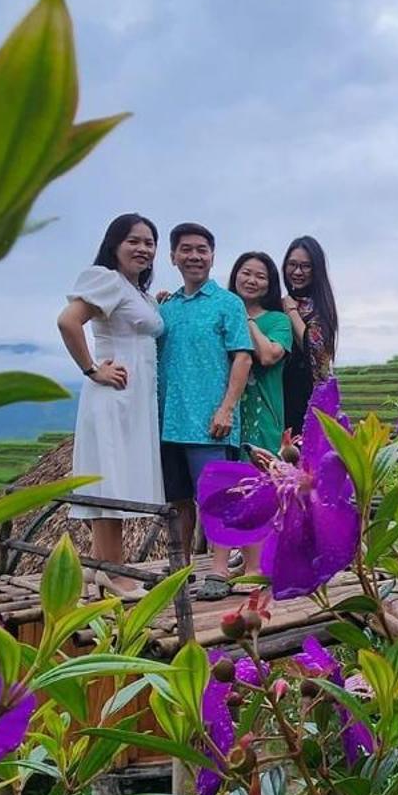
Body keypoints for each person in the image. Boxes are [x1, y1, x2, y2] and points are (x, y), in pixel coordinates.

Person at [56, 213, 163, 602]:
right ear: (114, 244)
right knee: (110, 476)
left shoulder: (135, 291)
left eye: (149, 242)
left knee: (115, 473)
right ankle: (115, 574)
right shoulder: (105, 279)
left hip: (135, 399)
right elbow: (69, 321)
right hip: (115, 395)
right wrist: (91, 369)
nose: (143, 248)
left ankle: (100, 567)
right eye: (134, 240)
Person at [157, 223, 252, 598]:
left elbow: (242, 358)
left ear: (212, 256)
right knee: (178, 499)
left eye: (202, 250)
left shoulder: (228, 303)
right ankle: (180, 568)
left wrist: (226, 409)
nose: (194, 256)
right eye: (186, 249)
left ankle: (218, 569)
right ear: (173, 256)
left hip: (211, 421)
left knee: (217, 497)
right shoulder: (168, 307)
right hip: (168, 420)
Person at [228, 251, 293, 456]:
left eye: (261, 277)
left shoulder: (278, 321)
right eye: (246, 273)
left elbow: (267, 356)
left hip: (263, 421)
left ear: (270, 284)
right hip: (223, 418)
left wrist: (245, 318)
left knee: (260, 480)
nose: (252, 280)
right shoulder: (222, 315)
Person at [280, 235, 340, 438]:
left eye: (305, 266)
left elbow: (313, 350)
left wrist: (291, 311)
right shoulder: (278, 304)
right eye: (292, 265)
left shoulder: (321, 308)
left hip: (309, 399)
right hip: (280, 396)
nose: (297, 272)